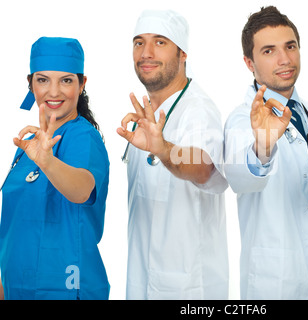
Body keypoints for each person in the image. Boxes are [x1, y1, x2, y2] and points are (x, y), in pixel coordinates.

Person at [223, 6, 308, 300]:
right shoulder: (241, 120)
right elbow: (239, 178)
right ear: (249, 62)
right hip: (282, 277)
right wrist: (262, 147)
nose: (285, 59)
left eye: (290, 47)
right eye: (269, 51)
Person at [117, 9, 229, 300]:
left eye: (160, 42)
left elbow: (204, 167)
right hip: (141, 280)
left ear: (183, 54)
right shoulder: (147, 116)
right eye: (139, 42)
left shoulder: (198, 110)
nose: (146, 53)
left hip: (189, 289)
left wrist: (164, 150)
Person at [0, 37, 110, 300]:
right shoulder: (29, 146)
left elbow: (81, 189)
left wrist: (48, 162)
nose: (54, 92)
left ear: (82, 84)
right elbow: (15, 221)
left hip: (65, 288)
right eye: (42, 80)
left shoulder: (82, 137)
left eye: (66, 80)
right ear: (30, 84)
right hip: (16, 287)